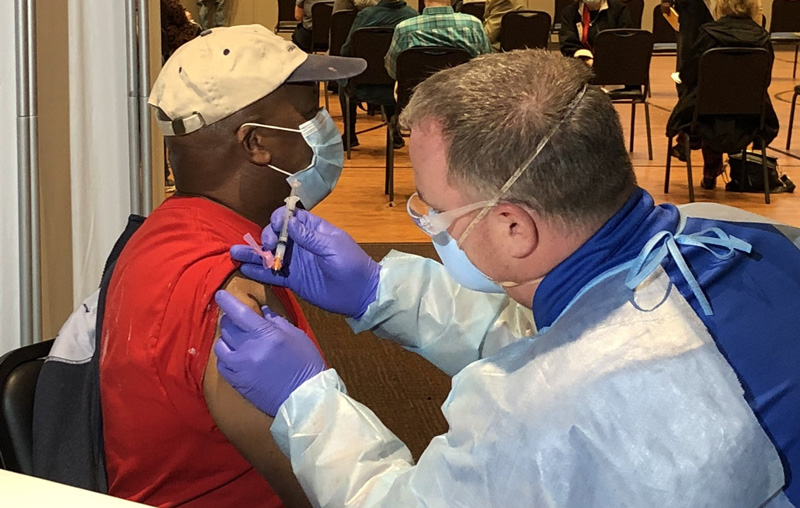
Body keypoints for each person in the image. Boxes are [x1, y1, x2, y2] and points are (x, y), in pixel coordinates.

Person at [217, 49, 800, 506]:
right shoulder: (748, 235)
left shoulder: (539, 420)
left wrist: (306, 403)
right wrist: (382, 291)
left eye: (432, 210)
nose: (425, 221)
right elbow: (580, 339)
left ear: (514, 227)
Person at [100, 25, 365, 507]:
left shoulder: (163, 233)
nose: (327, 128)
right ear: (256, 143)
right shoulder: (234, 293)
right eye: (311, 114)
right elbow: (330, 492)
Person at [666, 0, 778, 190]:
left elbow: (688, 75)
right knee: (720, 107)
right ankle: (709, 165)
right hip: (750, 117)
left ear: (720, 7)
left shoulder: (707, 35)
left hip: (707, 115)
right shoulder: (763, 39)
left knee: (705, 108)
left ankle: (702, 160)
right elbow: (764, 81)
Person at [339, 0, 417, 149]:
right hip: (399, 90)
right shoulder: (413, 17)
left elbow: (346, 50)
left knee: (343, 81)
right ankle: (394, 131)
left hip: (362, 87)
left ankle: (350, 134)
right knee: (392, 75)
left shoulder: (365, 15)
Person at [384, 0, 491, 79]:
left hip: (416, 98)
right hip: (461, 97)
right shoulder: (473, 25)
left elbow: (393, 71)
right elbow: (486, 66)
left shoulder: (404, 29)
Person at [559, 0, 633, 62]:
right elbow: (568, 44)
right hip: (581, 62)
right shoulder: (569, 13)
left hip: (614, 60)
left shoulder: (619, 9)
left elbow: (626, 40)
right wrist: (586, 59)